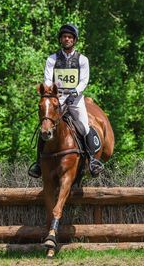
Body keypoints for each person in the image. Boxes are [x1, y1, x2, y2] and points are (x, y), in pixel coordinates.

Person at [28, 24, 104, 178]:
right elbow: (48, 80)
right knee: (45, 126)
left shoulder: (82, 59)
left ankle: (92, 161)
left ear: (74, 40)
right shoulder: (52, 59)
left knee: (83, 126)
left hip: (75, 99)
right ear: (60, 40)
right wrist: (50, 95)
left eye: (69, 37)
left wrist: (74, 93)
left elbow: (84, 81)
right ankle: (38, 164)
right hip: (57, 99)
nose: (67, 39)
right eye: (64, 37)